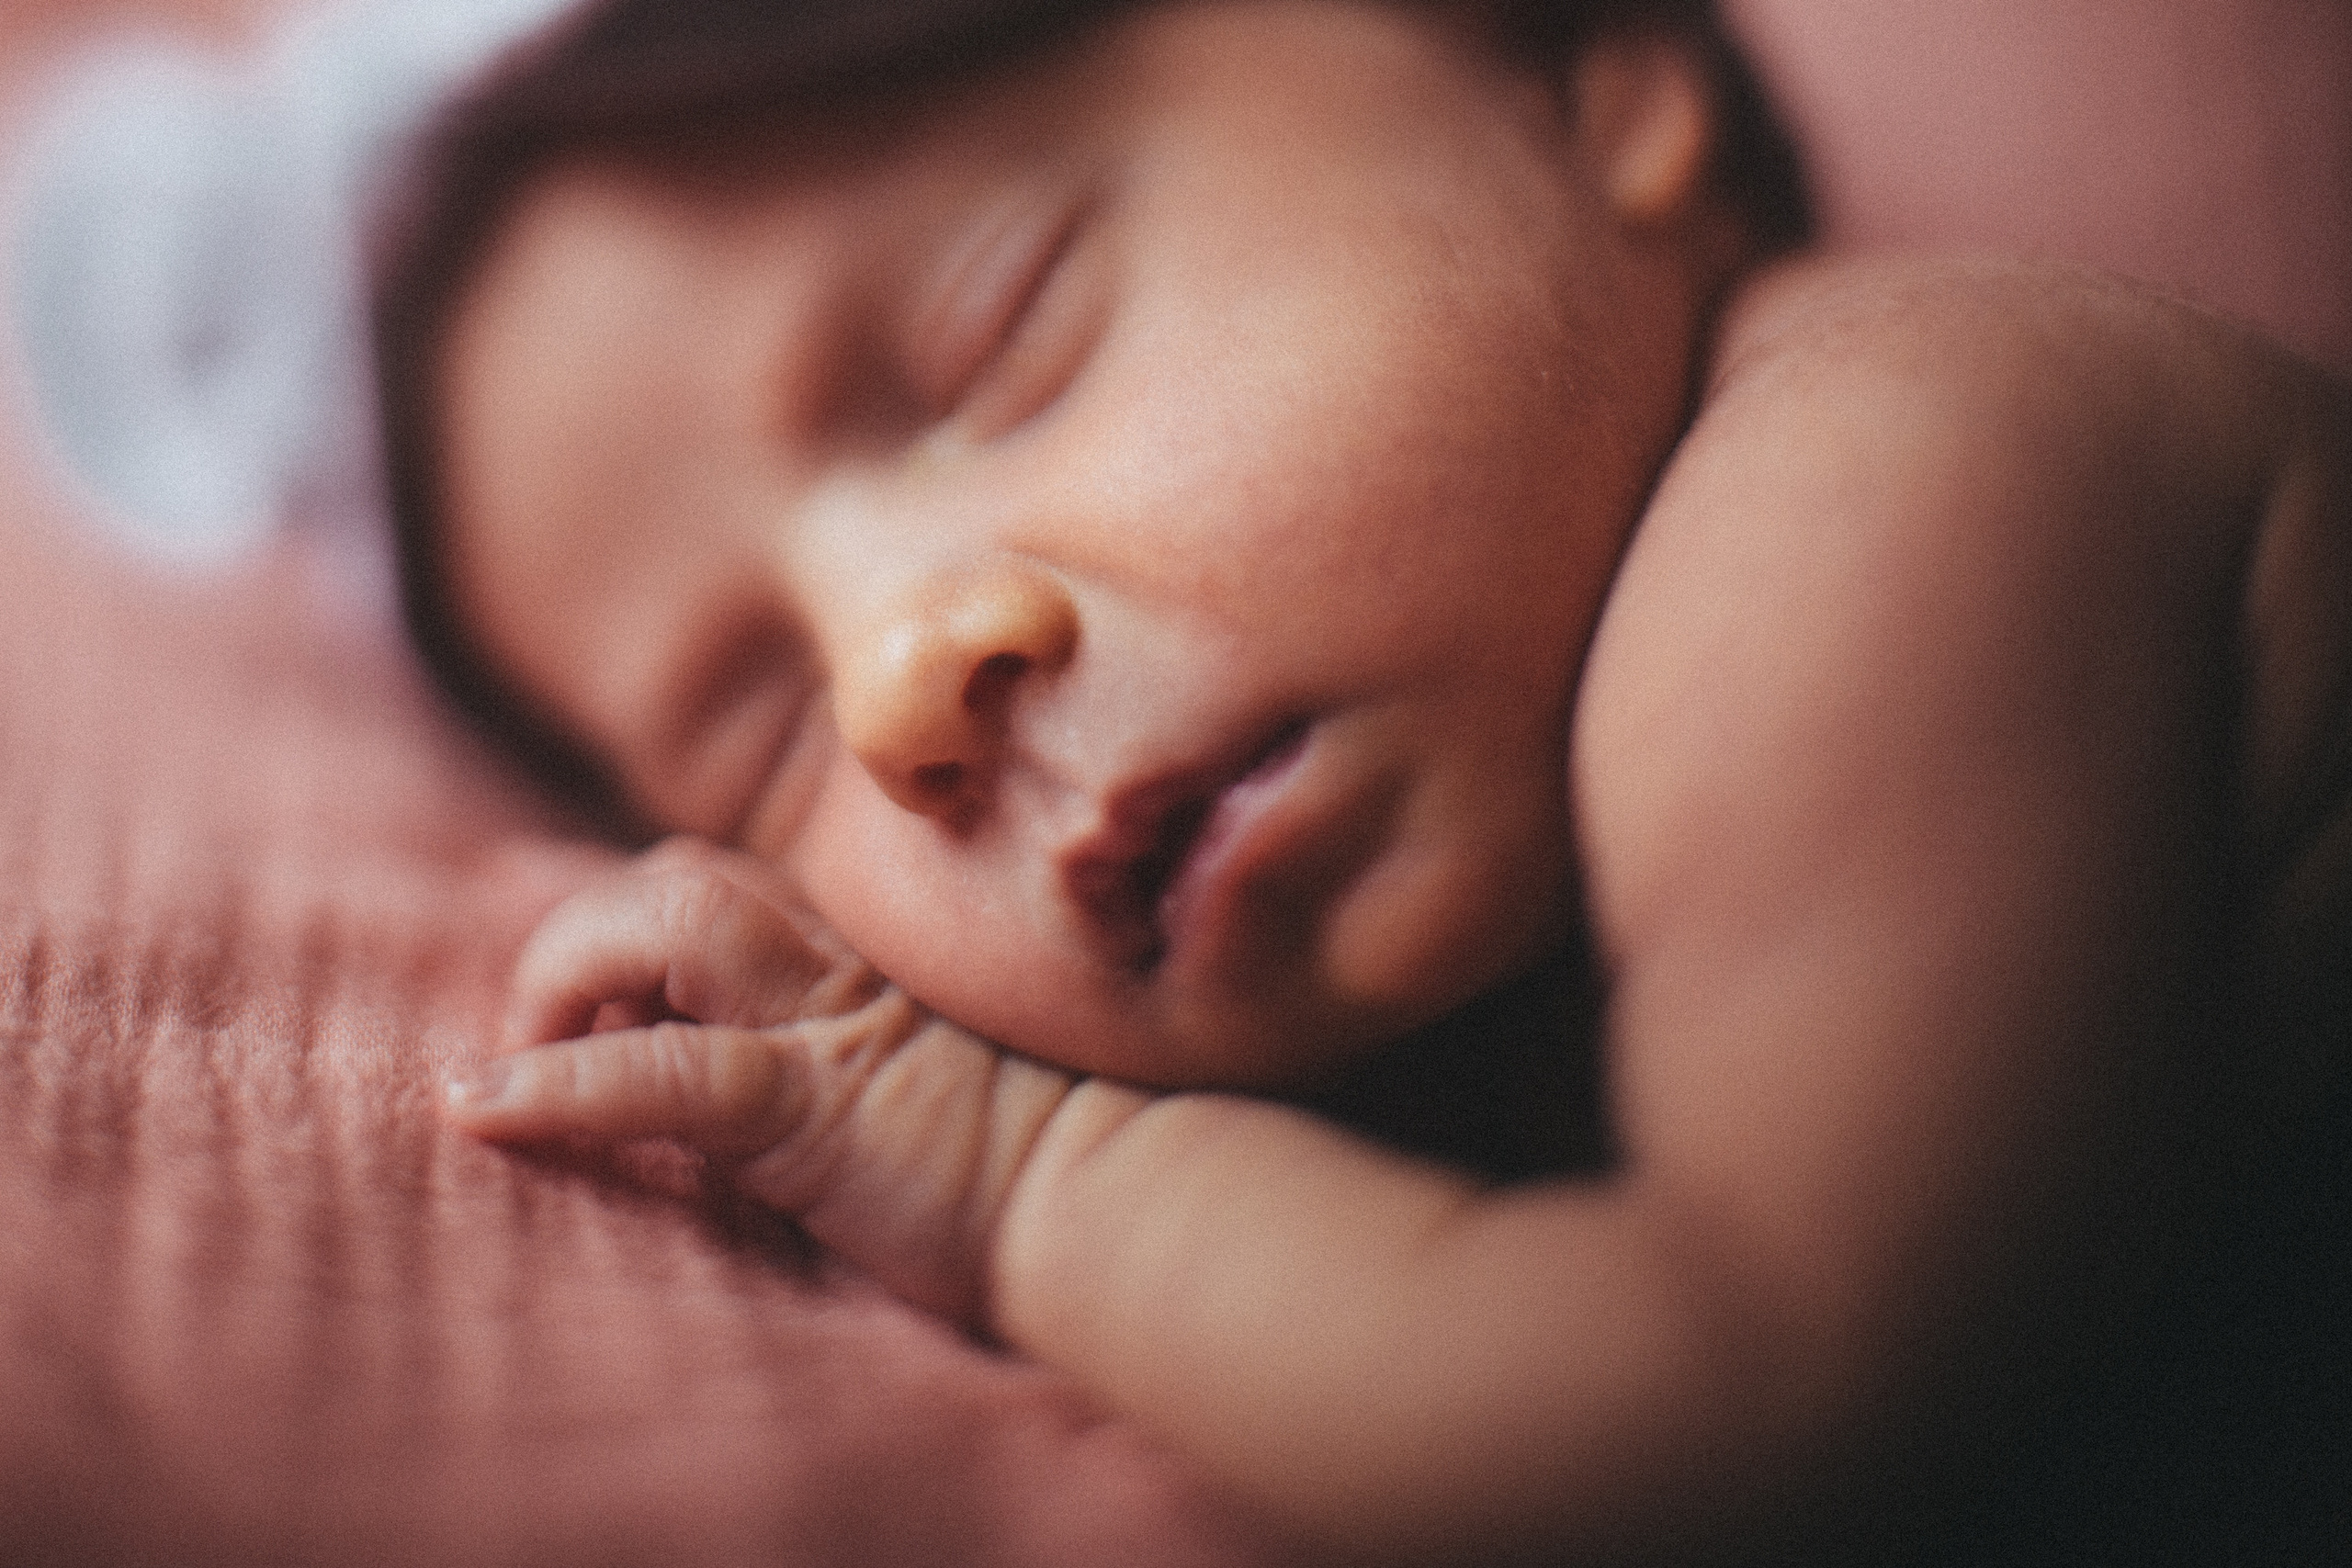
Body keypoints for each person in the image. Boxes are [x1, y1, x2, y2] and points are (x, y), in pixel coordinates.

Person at [380, 0, 2351, 1560]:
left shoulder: (1896, 482)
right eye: (765, 742)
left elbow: (1718, 1417)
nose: (902, 682)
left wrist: (1009, 1174)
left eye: (1005, 335)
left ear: (1584, 82)